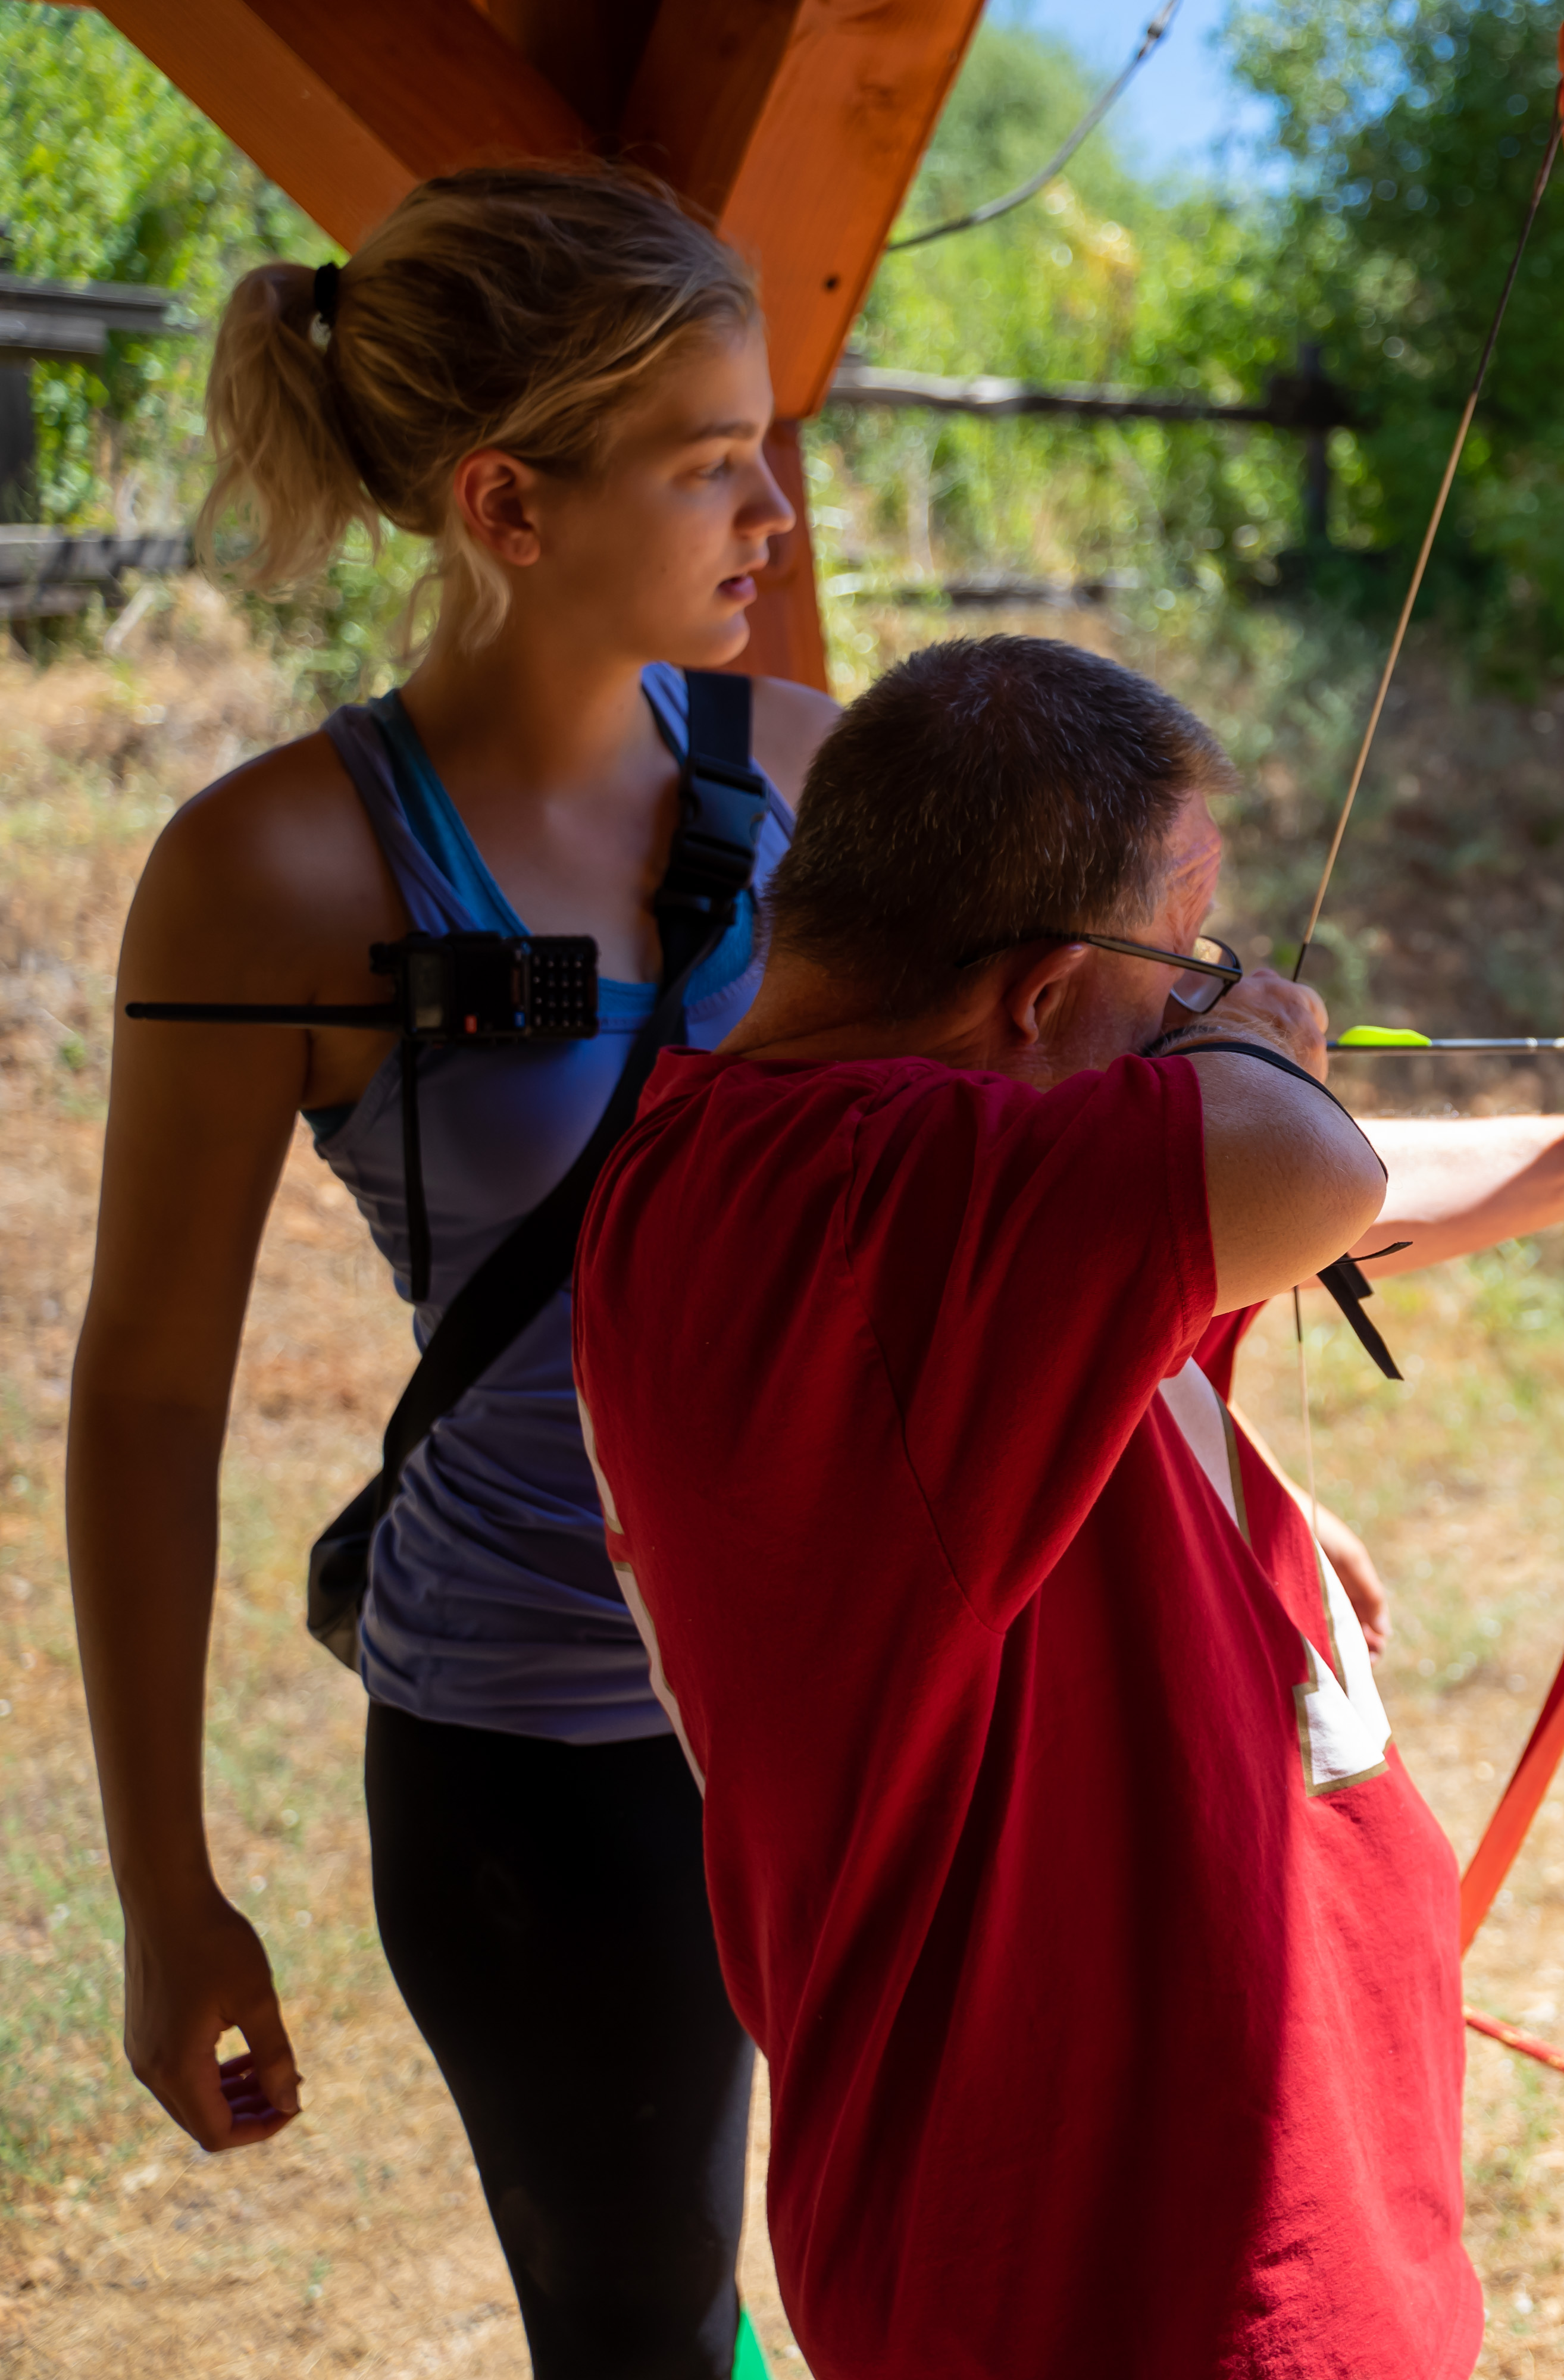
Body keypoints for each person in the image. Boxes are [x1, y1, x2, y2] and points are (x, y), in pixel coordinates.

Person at [568, 634, 1564, 2378]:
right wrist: (1267, 1049)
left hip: (1219, 2202)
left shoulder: (910, 1168)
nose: (1221, 983)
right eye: (1185, 949)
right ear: (1047, 1000)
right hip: (1118, 2273)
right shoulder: (851, 1211)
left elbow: (1280, 1199)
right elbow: (1285, 1164)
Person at [69, 166, 833, 2377]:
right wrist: (162, 1888)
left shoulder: (811, 772)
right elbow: (143, 1399)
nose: (768, 508)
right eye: (710, 465)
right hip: (548, 1729)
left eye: (760, 443)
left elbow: (993, 1203)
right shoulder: (271, 870)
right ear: (508, 507)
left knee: (933, 2265)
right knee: (647, 2324)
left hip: (856, 1681)